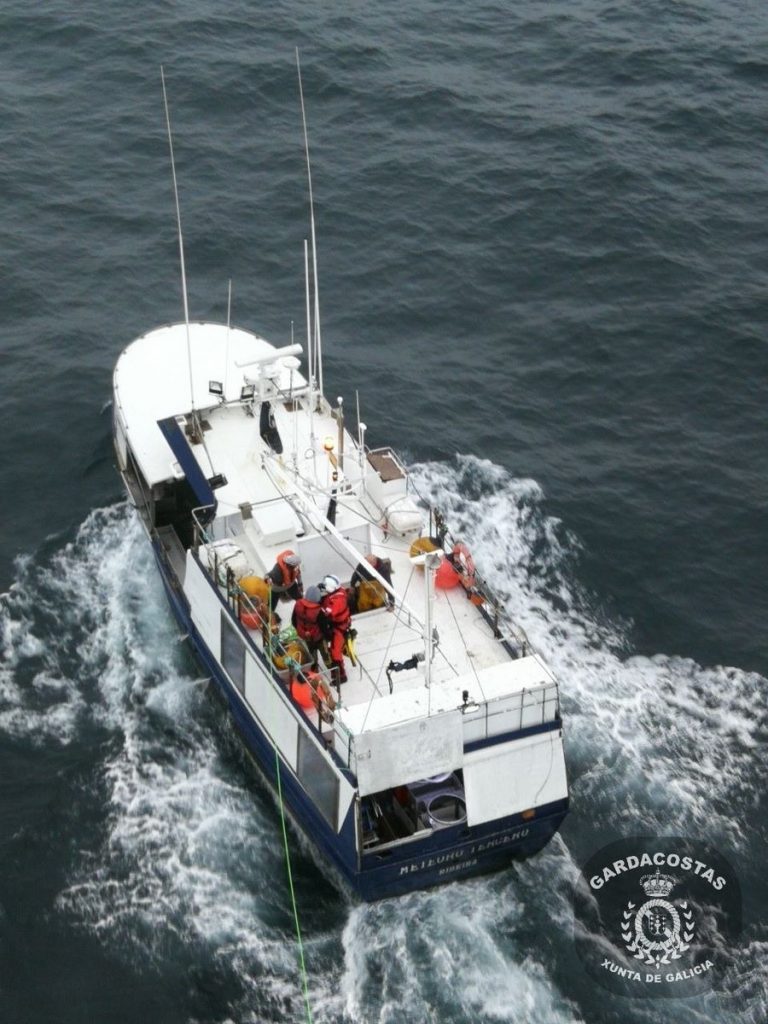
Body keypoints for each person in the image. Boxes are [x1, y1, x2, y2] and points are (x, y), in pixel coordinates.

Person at [319, 573, 352, 684]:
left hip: (339, 627)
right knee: (332, 648)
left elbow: (326, 614)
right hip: (337, 624)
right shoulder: (339, 591)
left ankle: (341, 676)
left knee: (335, 652)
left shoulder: (337, 601)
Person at [291, 585, 328, 667]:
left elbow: (293, 620)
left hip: (305, 637)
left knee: (312, 657)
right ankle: (332, 669)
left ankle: (314, 671)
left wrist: (301, 631)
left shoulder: (298, 604)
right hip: (318, 637)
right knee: (326, 655)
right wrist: (328, 636)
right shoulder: (319, 611)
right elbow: (324, 627)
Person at [265, 549, 302, 620]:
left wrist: (300, 584)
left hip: (291, 585)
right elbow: (268, 575)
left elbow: (298, 574)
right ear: (290, 565)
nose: (297, 566)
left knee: (299, 598)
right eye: (295, 565)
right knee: (271, 606)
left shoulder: (295, 565)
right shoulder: (277, 570)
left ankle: (302, 609)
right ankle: (268, 619)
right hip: (277, 589)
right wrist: (267, 579)